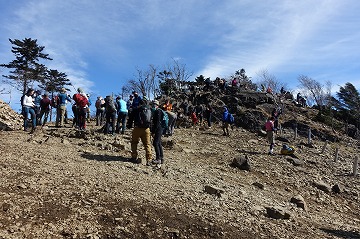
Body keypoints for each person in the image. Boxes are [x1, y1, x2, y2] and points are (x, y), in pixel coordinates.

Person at [130, 99, 152, 165]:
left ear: (139, 103)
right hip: (146, 129)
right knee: (147, 144)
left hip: (137, 128)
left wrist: (129, 125)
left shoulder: (137, 109)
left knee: (134, 142)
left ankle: (134, 157)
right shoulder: (149, 109)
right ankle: (149, 160)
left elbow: (131, 118)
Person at [151, 100, 164, 165]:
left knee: (155, 143)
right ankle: (161, 158)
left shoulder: (158, 111)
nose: (153, 105)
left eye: (154, 104)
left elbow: (157, 122)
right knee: (158, 143)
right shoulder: (159, 111)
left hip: (158, 129)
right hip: (160, 128)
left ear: (157, 105)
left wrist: (153, 131)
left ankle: (158, 158)